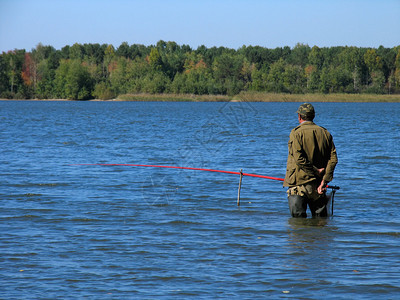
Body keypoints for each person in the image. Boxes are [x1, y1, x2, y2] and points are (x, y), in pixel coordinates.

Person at [283, 103, 338, 218]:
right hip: (319, 186)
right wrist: (324, 181)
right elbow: (333, 160)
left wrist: (316, 171)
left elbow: (299, 159)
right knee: (320, 225)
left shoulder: (296, 133)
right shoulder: (325, 133)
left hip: (298, 185)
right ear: (313, 116)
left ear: (299, 116)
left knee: (298, 226)